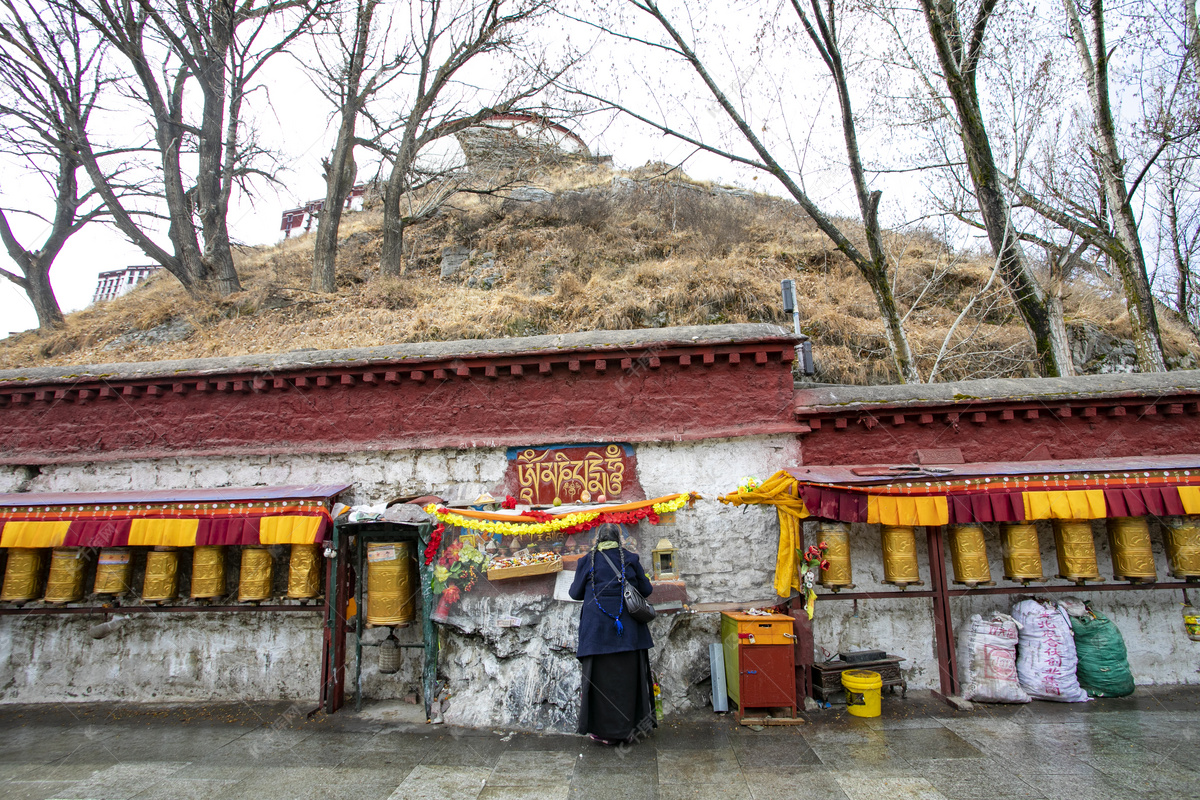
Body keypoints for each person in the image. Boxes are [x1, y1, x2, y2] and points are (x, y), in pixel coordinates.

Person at [568, 524, 656, 744]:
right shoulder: (630, 559)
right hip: (628, 635)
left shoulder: (587, 561)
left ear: (598, 539)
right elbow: (646, 590)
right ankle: (629, 729)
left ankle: (603, 732)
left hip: (597, 634)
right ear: (619, 539)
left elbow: (574, 593)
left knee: (601, 685)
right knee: (628, 682)